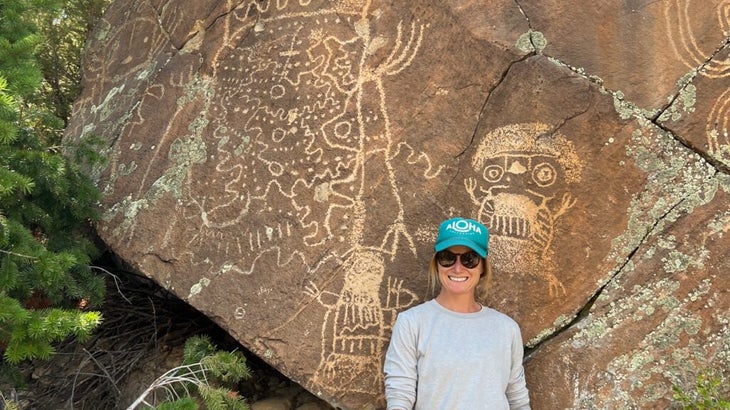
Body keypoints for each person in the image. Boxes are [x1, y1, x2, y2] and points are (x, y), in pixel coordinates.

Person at [383, 217, 531, 409]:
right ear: (437, 264)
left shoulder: (506, 328)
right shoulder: (412, 323)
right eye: (448, 258)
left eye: (470, 259)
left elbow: (517, 399)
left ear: (482, 267)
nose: (458, 268)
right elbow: (399, 396)